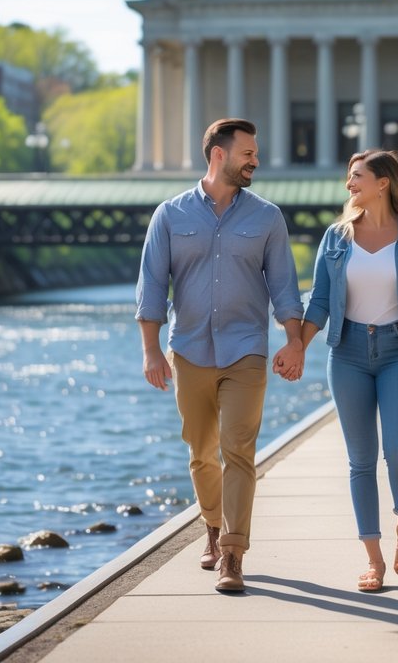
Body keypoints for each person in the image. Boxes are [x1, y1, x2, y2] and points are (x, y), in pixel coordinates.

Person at [135, 118, 306, 593]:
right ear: (218, 155)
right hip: (188, 350)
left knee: (238, 449)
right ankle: (211, 527)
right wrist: (151, 351)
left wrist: (294, 341)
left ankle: (232, 553)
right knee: (201, 451)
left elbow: (285, 289)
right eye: (248, 153)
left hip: (246, 350)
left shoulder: (267, 218)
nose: (256, 160)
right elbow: (151, 287)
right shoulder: (169, 215)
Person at [300, 150, 398, 593]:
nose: (349, 184)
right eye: (349, 177)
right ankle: (373, 560)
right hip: (346, 354)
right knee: (360, 461)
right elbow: (320, 301)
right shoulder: (336, 238)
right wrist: (296, 346)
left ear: (383, 182)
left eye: (357, 176)